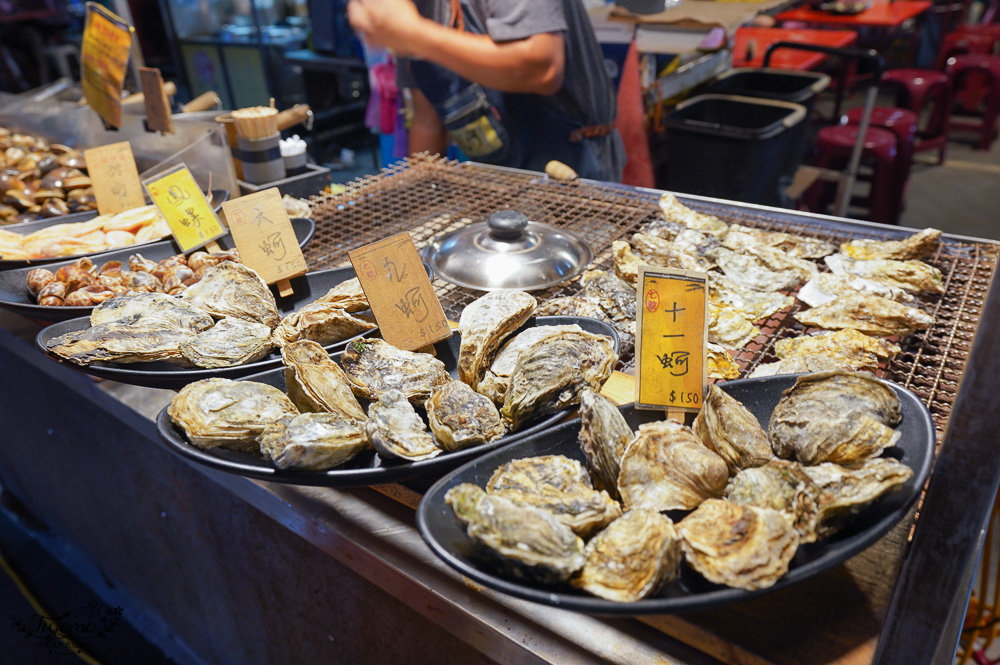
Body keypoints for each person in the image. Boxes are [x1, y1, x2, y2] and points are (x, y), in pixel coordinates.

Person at [347, 0, 626, 182]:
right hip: (499, 178)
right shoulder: (412, 9)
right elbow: (426, 118)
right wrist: (417, 205)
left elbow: (542, 69)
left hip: (573, 162)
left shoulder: (411, 26)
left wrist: (415, 35)